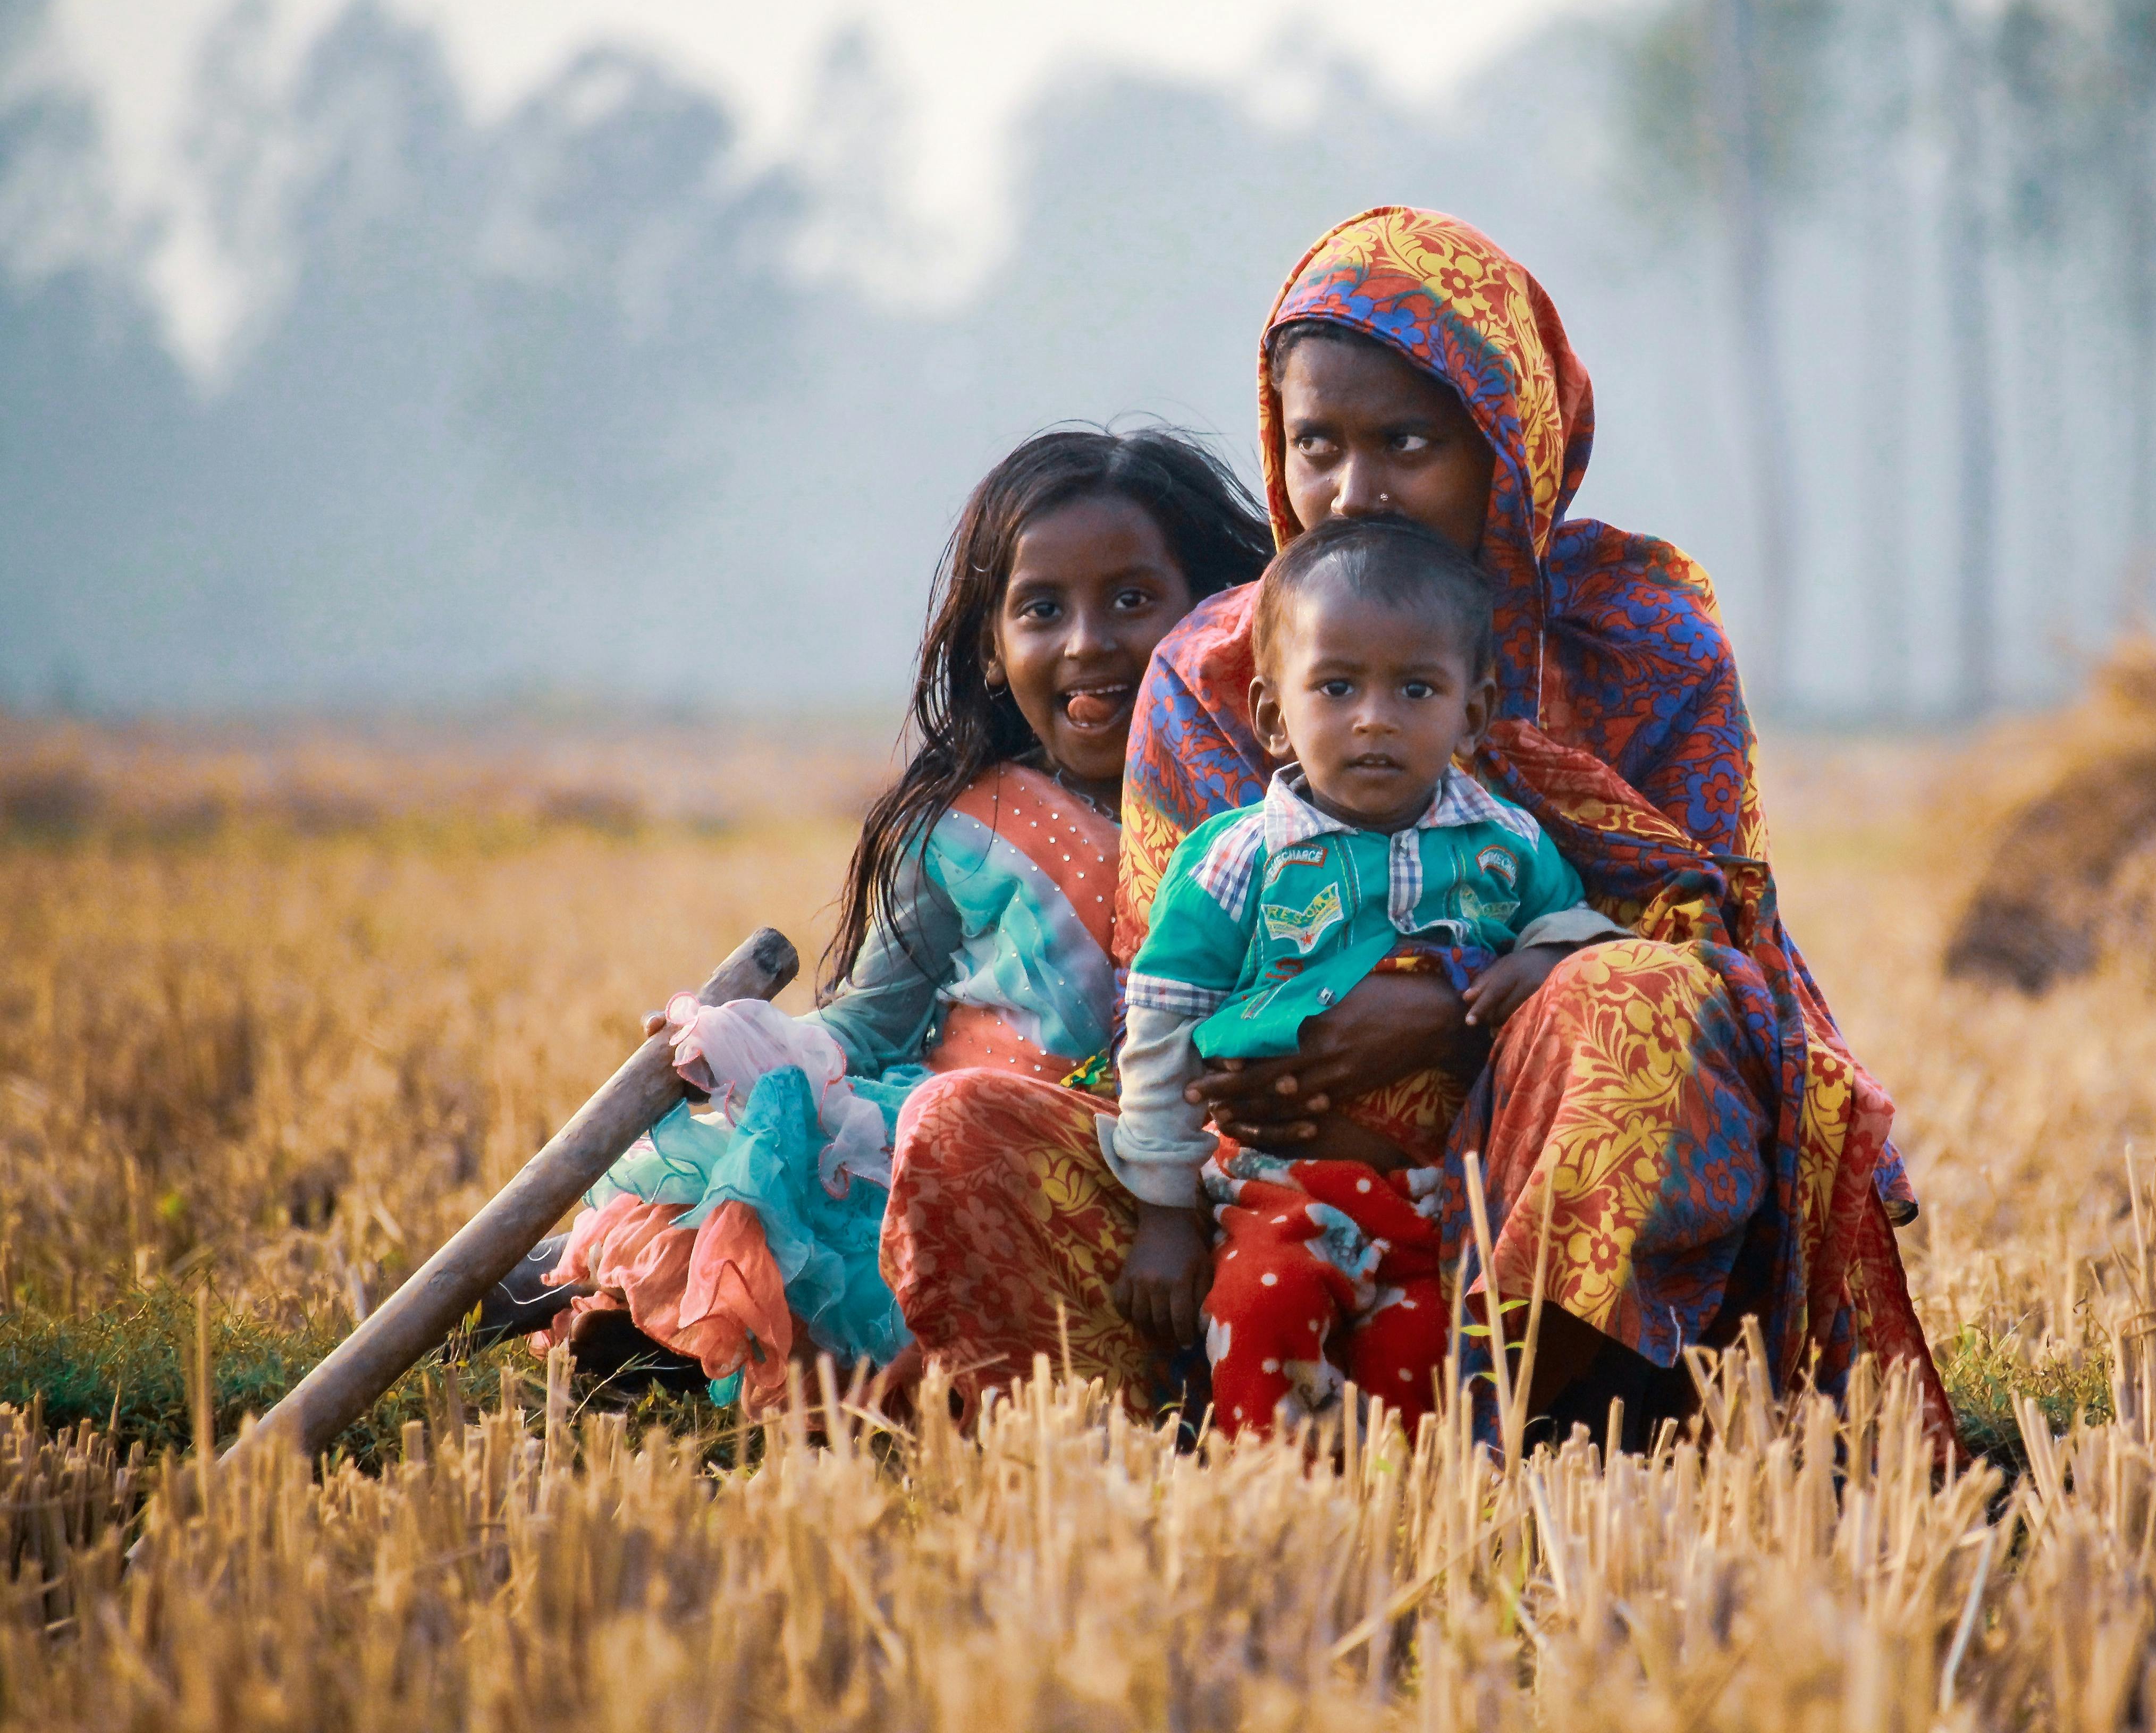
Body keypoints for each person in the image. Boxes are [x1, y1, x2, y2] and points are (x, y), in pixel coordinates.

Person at [885, 207, 1953, 1450]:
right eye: (1318, 445)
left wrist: (1446, 1012)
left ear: (1510, 445)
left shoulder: (1642, 642)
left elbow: (1709, 944)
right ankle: (1193, 1439)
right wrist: (1270, 1087)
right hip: (1263, 1190)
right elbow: (1171, 1001)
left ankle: (1524, 1428)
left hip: (1533, 1172)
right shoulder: (1213, 669)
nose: (1355, 491)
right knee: (961, 1132)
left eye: (1407, 442)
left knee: (1646, 1002)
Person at [469, 427, 1273, 1411]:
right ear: (991, 648)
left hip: (1146, 1187)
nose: (1087, 641)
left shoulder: (1268, 817)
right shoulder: (963, 827)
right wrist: (740, 1045)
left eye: (1134, 601)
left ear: (1214, 617)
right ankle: (600, 1327)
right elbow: (867, 1026)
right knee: (750, 1245)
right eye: (1042, 610)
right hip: (944, 1165)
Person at [1113, 514, 1623, 1433]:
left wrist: (1543, 957)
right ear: (1275, 715)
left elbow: (1580, 928)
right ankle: (1271, 1515)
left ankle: (1408, 1536)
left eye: (1416, 688)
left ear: (1472, 711)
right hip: (1278, 1193)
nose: (1375, 718)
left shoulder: (1506, 846)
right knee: (1260, 1318)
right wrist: (1164, 1210)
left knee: (1424, 1363)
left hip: (1438, 1207)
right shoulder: (1240, 860)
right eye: (1337, 686)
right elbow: (1159, 1024)